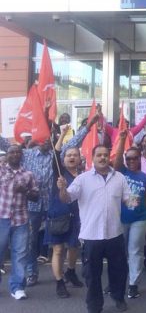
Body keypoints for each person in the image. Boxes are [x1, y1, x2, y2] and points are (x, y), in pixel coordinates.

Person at [0, 114, 97, 287]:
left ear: (53, 139)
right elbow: (6, 145)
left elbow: (75, 141)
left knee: (61, 243)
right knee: (29, 242)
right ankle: (31, 272)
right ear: (37, 139)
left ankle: (63, 273)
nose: (46, 141)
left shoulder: (57, 155)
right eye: (43, 138)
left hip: (54, 206)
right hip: (31, 206)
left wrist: (89, 124)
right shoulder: (26, 154)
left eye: (49, 138)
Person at [57, 144, 131, 313]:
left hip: (115, 234)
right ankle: (94, 305)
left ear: (109, 157)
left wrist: (137, 200)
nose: (103, 158)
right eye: (99, 155)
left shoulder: (119, 177)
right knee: (92, 274)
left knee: (119, 270)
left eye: (105, 154)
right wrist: (62, 189)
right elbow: (67, 198)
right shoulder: (82, 179)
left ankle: (118, 297)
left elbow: (129, 200)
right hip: (91, 236)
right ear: (93, 158)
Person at [114, 131, 146, 300]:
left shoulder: (143, 176)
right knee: (119, 251)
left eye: (135, 158)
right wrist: (123, 139)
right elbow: (117, 161)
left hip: (140, 219)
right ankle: (116, 282)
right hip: (121, 218)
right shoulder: (121, 172)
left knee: (136, 251)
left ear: (140, 159)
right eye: (129, 158)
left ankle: (133, 284)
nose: (131, 161)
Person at [45, 125, 86, 299]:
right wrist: (61, 135)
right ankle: (59, 282)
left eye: (75, 155)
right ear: (63, 159)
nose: (71, 157)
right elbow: (56, 153)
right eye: (69, 155)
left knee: (74, 247)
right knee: (59, 250)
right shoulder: (59, 172)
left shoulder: (84, 175)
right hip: (58, 215)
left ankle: (70, 271)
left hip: (77, 216)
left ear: (79, 159)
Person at [0, 144, 39, 300]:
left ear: (22, 155)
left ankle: (17, 287)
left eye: (18, 152)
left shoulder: (28, 174)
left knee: (20, 255)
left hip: (21, 220)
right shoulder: (1, 170)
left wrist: (25, 191)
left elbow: (36, 196)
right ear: (7, 155)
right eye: (12, 152)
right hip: (1, 217)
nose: (15, 154)